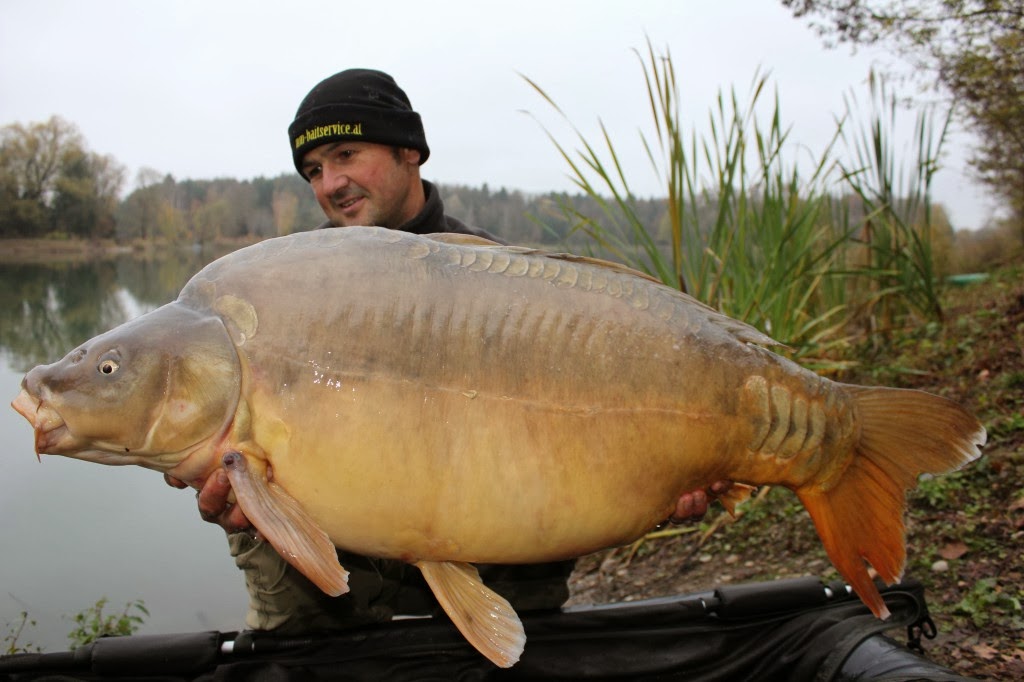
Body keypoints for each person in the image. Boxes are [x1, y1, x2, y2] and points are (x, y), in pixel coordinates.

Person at [165, 68, 731, 637]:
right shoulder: (284, 290)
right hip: (337, 556)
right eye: (313, 170)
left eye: (346, 155)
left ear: (409, 150)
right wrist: (243, 494)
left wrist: (664, 474)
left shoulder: (503, 279)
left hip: (494, 540)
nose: (331, 183)